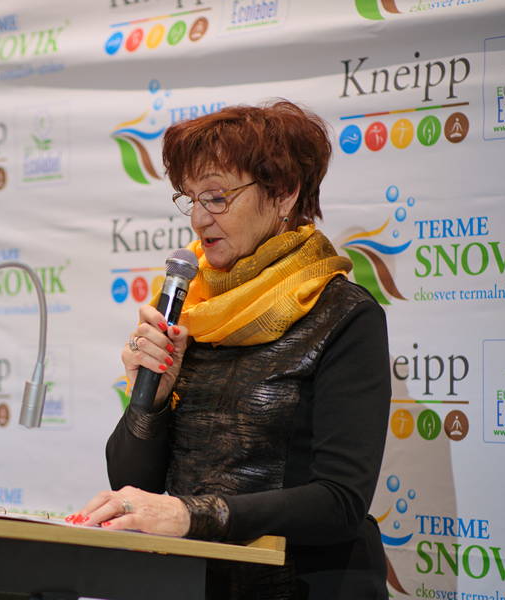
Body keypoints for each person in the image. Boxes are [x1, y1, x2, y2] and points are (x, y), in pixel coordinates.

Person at [72, 101, 390, 599]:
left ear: (284, 193)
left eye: (218, 198)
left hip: (304, 585)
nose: (200, 219)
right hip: (192, 582)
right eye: (191, 199)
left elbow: (340, 501)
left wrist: (192, 514)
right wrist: (150, 400)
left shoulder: (343, 313)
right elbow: (133, 481)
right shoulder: (192, 307)